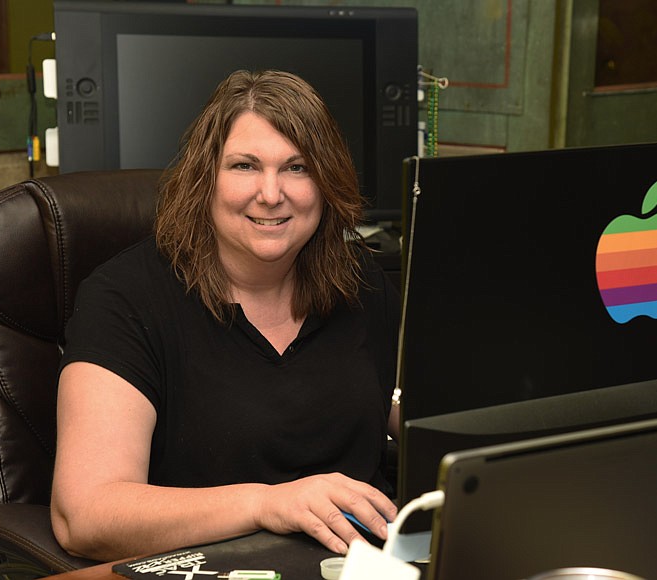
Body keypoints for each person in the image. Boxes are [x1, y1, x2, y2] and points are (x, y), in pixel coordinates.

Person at [50, 69, 402, 562]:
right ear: (205, 179)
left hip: (361, 565)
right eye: (244, 166)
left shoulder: (360, 280)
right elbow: (84, 514)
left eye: (298, 167)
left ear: (326, 183)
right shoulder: (126, 299)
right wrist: (266, 503)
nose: (272, 193)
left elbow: (428, 419)